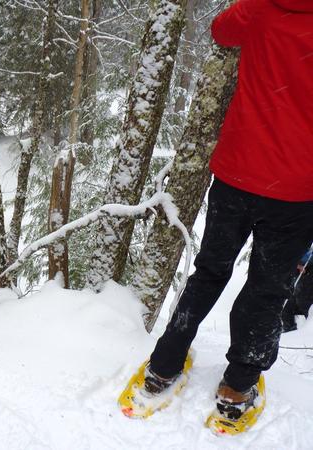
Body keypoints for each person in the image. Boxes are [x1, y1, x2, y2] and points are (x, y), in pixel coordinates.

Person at [131, 0, 313, 427]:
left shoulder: (262, 10)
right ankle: (237, 386)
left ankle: (163, 367)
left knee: (210, 271)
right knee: (268, 291)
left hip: (237, 174)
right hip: (297, 191)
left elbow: (221, 29)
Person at [282, 246, 313, 332]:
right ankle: (291, 334)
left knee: (307, 308)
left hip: (308, 297)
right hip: (298, 295)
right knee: (286, 311)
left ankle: (307, 335)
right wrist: (297, 264)